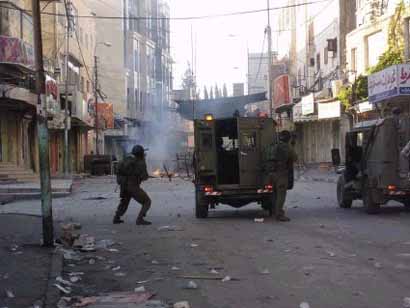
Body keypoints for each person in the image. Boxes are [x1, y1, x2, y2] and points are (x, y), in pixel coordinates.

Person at [113, 145, 152, 225]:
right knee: (147, 201)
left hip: (124, 185)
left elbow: (118, 170)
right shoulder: (140, 163)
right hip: (133, 186)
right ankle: (140, 219)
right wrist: (144, 160)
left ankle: (116, 218)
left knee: (124, 202)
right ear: (141, 153)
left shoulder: (127, 160)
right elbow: (144, 177)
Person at [264, 130, 297, 222]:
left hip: (269, 174)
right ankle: (279, 214)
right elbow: (295, 158)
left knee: (273, 194)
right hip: (280, 174)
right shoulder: (287, 147)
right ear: (288, 138)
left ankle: (274, 211)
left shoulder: (272, 146)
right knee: (281, 195)